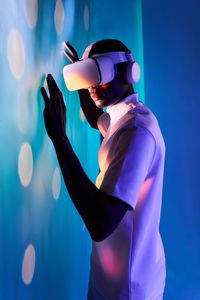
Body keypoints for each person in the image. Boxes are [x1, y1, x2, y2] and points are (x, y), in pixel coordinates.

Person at [41, 39, 166, 300]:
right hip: (111, 276)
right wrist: (82, 76)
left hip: (128, 287)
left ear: (128, 72)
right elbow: (98, 120)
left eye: (100, 74)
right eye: (88, 77)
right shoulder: (123, 117)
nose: (93, 86)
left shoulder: (137, 133)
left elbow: (101, 222)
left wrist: (60, 139)